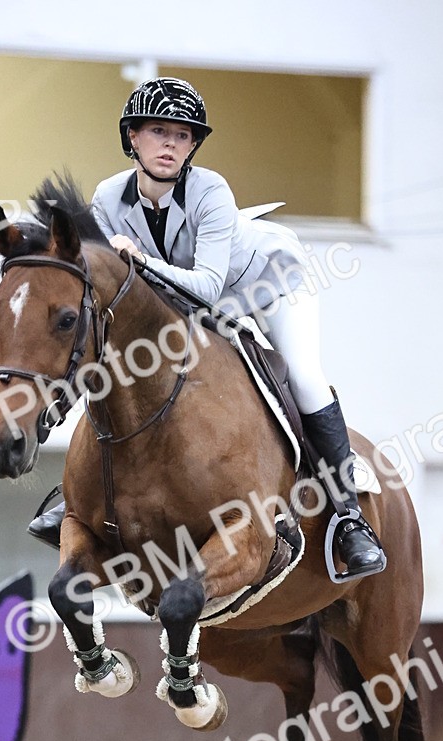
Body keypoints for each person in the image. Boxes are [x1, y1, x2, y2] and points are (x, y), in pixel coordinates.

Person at [29, 76, 385, 579]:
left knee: (302, 375)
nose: (170, 144)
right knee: (110, 356)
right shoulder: (109, 196)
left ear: (193, 144)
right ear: (132, 137)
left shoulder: (210, 189)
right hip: (181, 302)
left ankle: (349, 518)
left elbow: (209, 288)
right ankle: (74, 496)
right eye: (158, 131)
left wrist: (140, 264)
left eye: (182, 135)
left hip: (266, 285)